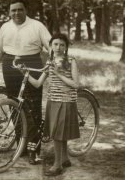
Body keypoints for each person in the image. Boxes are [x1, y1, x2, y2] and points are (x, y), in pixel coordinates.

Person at [0, 0, 51, 164]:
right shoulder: (5, 27)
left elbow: (51, 46)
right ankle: (22, 144)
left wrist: (56, 62)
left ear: (26, 10)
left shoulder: (37, 26)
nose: (16, 13)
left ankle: (34, 150)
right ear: (9, 12)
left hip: (32, 64)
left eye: (20, 9)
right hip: (10, 65)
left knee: (33, 105)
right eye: (13, 10)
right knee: (15, 105)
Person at [25, 33, 80, 176]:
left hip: (66, 100)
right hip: (53, 100)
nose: (58, 47)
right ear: (50, 46)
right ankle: (65, 158)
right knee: (59, 131)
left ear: (66, 47)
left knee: (57, 133)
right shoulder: (50, 61)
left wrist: (58, 73)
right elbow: (38, 84)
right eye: (55, 44)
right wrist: (25, 74)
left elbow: (75, 84)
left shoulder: (71, 60)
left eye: (62, 45)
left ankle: (57, 165)